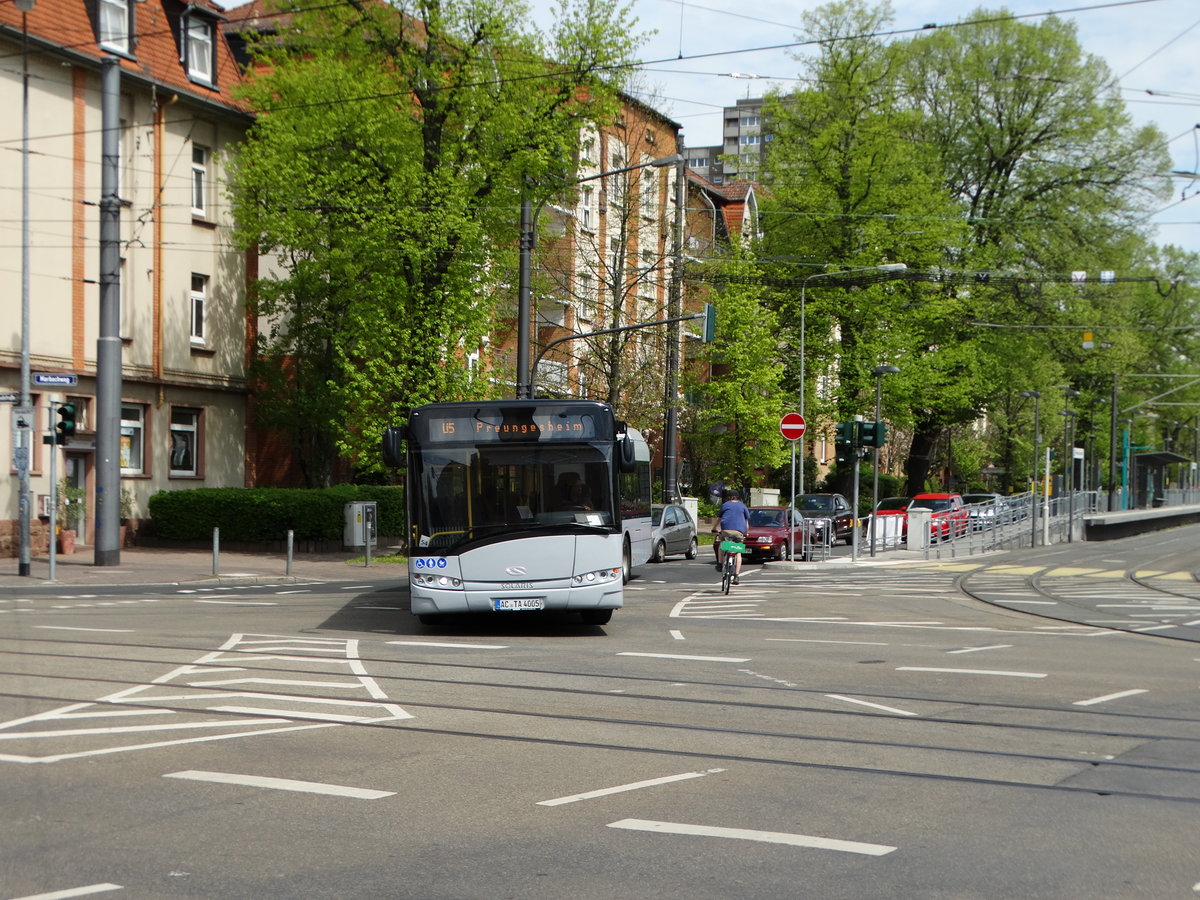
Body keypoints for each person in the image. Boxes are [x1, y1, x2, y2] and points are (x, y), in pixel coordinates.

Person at [712, 489, 750, 584]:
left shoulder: (725, 505)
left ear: (728, 497)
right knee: (738, 553)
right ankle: (736, 576)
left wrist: (714, 528)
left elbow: (718, 519)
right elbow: (746, 522)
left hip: (726, 531)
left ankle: (720, 564)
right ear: (738, 497)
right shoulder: (742, 506)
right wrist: (746, 533)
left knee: (722, 545)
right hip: (738, 532)